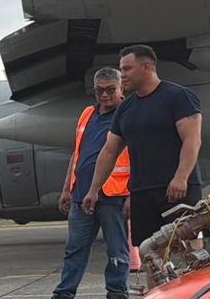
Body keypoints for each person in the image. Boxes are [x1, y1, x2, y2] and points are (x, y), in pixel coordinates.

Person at [83, 45, 202, 249]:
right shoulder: (126, 108)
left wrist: (181, 177)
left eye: (127, 69)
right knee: (150, 253)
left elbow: (192, 140)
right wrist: (94, 190)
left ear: (147, 67)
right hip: (142, 193)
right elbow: (109, 151)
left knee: (187, 248)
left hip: (177, 190)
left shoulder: (178, 96)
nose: (122, 75)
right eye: (121, 69)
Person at [36, 69, 131, 299]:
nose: (105, 95)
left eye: (110, 90)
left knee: (117, 251)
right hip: (81, 196)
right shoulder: (88, 114)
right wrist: (67, 189)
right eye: (99, 90)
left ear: (121, 88)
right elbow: (77, 154)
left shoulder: (128, 114)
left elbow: (140, 155)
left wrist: (132, 194)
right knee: (74, 250)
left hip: (113, 195)